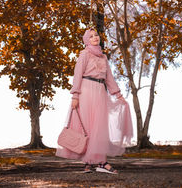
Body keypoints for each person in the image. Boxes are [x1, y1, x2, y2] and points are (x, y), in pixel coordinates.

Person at [56, 28, 133, 174]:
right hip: (86, 91)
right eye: (90, 36)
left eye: (96, 35)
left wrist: (118, 94)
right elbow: (77, 75)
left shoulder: (103, 57)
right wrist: (75, 95)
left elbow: (109, 77)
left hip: (100, 91)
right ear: (86, 40)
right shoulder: (84, 54)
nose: (94, 37)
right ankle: (93, 162)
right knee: (87, 127)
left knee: (99, 127)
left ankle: (97, 162)